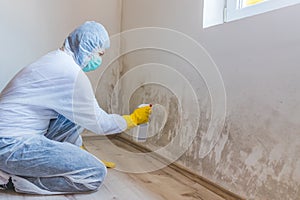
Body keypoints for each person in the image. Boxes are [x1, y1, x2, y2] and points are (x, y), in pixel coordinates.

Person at [0, 21, 151, 195]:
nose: (99, 60)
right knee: (94, 173)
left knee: (71, 115)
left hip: (10, 137)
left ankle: (69, 157)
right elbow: (99, 123)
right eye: (99, 54)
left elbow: (79, 116)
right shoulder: (70, 74)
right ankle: (10, 179)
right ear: (86, 48)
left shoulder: (54, 60)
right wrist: (133, 119)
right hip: (10, 146)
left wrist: (78, 153)